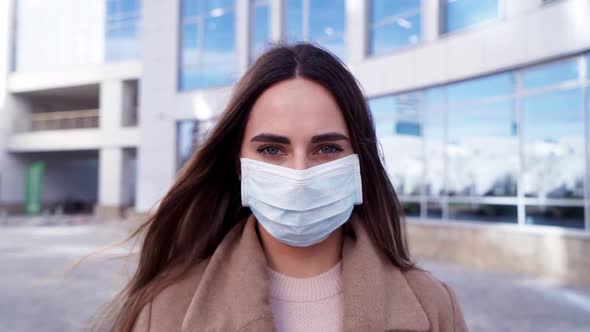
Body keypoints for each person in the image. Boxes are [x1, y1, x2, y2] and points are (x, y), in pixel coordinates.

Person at [108, 43, 467, 332]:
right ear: (238, 166)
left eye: (327, 148)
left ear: (359, 163)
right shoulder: (167, 310)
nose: (299, 174)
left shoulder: (432, 306)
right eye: (271, 149)